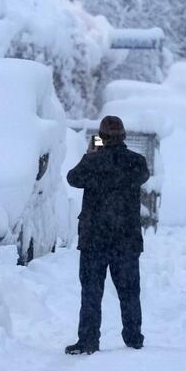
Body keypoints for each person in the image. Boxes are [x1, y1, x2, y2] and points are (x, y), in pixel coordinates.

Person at [64, 115, 150, 355]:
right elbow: (143, 176)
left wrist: (92, 153)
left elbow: (73, 178)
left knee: (91, 293)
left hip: (95, 240)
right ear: (124, 137)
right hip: (126, 240)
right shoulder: (136, 162)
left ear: (100, 137)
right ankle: (134, 337)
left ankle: (88, 340)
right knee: (129, 292)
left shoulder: (92, 162)